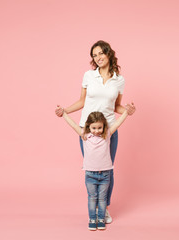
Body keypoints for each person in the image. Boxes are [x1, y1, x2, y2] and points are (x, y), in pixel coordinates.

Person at [55, 40, 136, 223]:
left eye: (100, 53)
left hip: (108, 130)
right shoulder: (88, 76)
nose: (98, 58)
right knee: (92, 169)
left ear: (108, 53)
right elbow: (82, 101)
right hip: (87, 129)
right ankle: (94, 207)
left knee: (108, 170)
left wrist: (128, 111)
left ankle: (104, 208)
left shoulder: (119, 79)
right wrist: (65, 111)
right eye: (94, 55)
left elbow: (116, 107)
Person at [58, 110, 129, 230]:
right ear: (88, 127)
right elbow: (73, 125)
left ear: (104, 126)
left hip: (105, 174)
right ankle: (92, 218)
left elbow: (117, 123)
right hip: (90, 175)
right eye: (94, 128)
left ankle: (101, 218)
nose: (97, 131)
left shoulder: (107, 134)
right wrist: (64, 114)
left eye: (99, 127)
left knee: (102, 198)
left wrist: (126, 112)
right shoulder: (85, 136)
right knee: (92, 197)